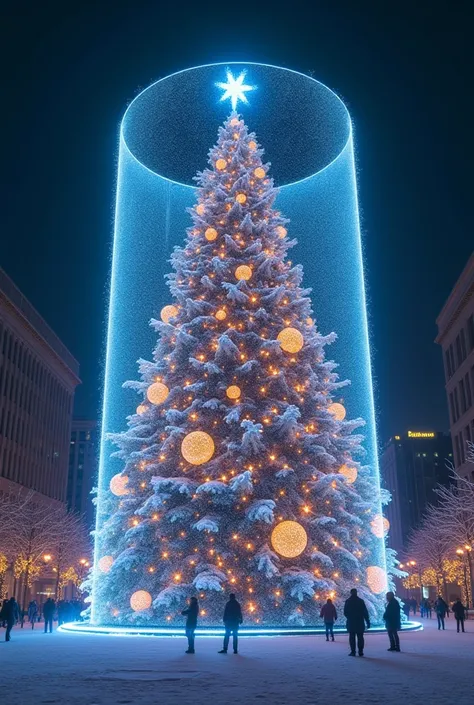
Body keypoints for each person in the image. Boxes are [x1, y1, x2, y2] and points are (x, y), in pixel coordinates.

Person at [344, 588, 370, 657]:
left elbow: (345, 612)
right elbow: (365, 612)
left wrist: (349, 617)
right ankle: (360, 651)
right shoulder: (361, 601)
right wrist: (367, 621)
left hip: (351, 622)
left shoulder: (348, 601)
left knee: (352, 638)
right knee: (360, 637)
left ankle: (353, 651)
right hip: (360, 622)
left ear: (351, 593)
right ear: (356, 593)